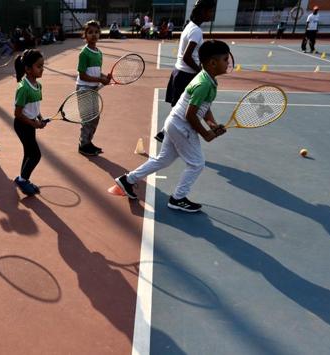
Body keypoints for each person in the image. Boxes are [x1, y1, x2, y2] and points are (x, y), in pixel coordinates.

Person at [115, 40, 229, 212]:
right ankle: (178, 198)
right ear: (213, 63)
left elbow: (204, 107)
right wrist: (206, 134)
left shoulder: (208, 79)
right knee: (197, 164)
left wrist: (211, 124)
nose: (228, 63)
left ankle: (128, 180)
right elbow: (190, 114)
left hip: (174, 123)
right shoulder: (204, 83)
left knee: (163, 159)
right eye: (225, 59)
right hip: (182, 126)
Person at [155, 0, 216, 142]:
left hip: (180, 72)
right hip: (185, 75)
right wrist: (201, 71)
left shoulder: (190, 26)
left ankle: (164, 133)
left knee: (178, 107)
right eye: (209, 11)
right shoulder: (196, 31)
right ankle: (170, 135)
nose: (211, 14)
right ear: (202, 12)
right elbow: (187, 57)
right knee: (188, 109)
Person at [13, 49, 47, 196]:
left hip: (30, 123)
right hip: (22, 125)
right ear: (27, 69)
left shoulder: (38, 86)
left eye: (42, 65)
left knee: (29, 153)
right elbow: (18, 114)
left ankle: (23, 179)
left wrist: (39, 117)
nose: (42, 69)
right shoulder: (23, 88)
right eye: (38, 66)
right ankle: (22, 179)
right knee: (35, 155)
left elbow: (35, 106)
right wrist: (34, 124)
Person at [75, 20, 111, 156]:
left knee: (95, 118)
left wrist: (104, 78)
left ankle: (88, 142)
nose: (94, 35)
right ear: (85, 35)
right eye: (90, 32)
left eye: (96, 32)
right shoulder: (84, 53)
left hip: (94, 89)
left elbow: (96, 72)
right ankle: (83, 145)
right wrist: (100, 79)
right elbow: (83, 76)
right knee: (87, 118)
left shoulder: (99, 53)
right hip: (84, 88)